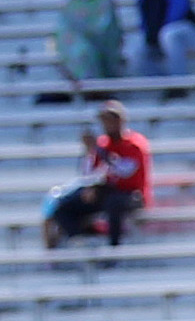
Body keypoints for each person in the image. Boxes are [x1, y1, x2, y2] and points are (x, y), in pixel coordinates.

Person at [43, 100, 149, 250]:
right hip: (108, 191)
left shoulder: (134, 143)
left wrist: (99, 151)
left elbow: (125, 171)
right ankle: (80, 239)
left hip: (131, 194)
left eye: (110, 119)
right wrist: (90, 153)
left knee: (114, 204)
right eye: (104, 120)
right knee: (63, 206)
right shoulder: (103, 144)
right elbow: (89, 173)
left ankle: (115, 248)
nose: (107, 124)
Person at [52, 0, 125, 84]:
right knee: (80, 51)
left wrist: (88, 34)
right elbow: (65, 30)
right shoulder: (71, 5)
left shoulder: (104, 0)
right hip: (77, 47)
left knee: (88, 52)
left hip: (100, 44)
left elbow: (107, 26)